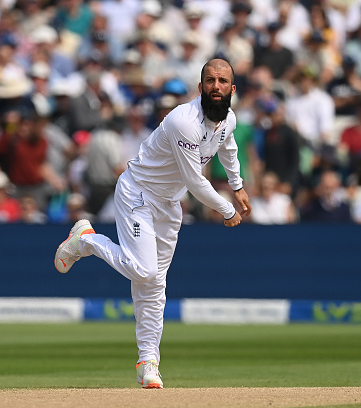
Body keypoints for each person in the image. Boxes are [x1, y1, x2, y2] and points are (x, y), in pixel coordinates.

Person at [53, 59, 251, 389]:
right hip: (138, 194)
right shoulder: (182, 121)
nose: (216, 86)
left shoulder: (227, 119)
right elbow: (194, 180)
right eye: (210, 80)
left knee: (155, 285)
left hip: (168, 205)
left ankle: (148, 362)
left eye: (223, 81)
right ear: (200, 87)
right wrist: (227, 209)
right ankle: (86, 239)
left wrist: (238, 184)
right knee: (143, 272)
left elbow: (228, 147)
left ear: (232, 89)